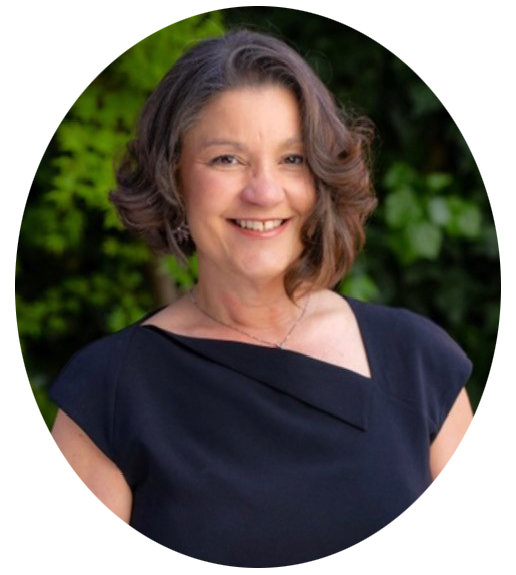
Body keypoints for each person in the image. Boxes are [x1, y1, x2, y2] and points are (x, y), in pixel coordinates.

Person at [49, 29, 473, 567]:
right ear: (172, 177)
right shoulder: (106, 396)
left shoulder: (418, 361)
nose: (264, 191)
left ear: (322, 175)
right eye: (227, 159)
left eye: (292, 159)